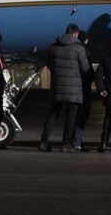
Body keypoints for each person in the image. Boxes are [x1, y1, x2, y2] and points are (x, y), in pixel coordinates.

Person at [39, 24, 89, 153]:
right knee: (70, 117)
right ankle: (66, 144)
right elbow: (85, 68)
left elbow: (49, 65)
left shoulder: (53, 47)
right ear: (76, 34)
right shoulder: (79, 48)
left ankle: (44, 142)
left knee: (52, 114)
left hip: (57, 86)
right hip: (74, 88)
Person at [71, 31, 95, 152]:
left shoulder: (70, 49)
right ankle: (77, 142)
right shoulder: (85, 51)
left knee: (73, 115)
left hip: (72, 88)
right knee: (82, 116)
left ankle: (70, 141)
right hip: (83, 88)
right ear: (85, 40)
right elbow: (88, 71)